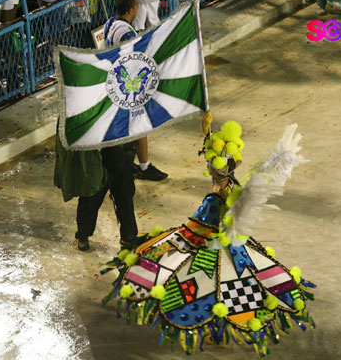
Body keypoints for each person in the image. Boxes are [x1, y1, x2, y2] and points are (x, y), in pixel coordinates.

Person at [101, 121, 315, 355]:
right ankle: (219, 330)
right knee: (224, 293)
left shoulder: (217, 195)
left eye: (210, 164)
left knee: (209, 292)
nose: (207, 166)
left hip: (209, 249)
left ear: (217, 169)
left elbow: (203, 224)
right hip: (227, 247)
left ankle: (215, 331)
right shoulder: (231, 186)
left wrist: (180, 238)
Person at [103, 0, 168, 181]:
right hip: (128, 87)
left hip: (116, 83)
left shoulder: (111, 24)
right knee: (141, 125)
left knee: (128, 128)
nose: (138, 9)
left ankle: (128, 162)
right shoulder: (127, 32)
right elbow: (134, 59)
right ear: (131, 9)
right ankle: (145, 167)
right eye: (137, 7)